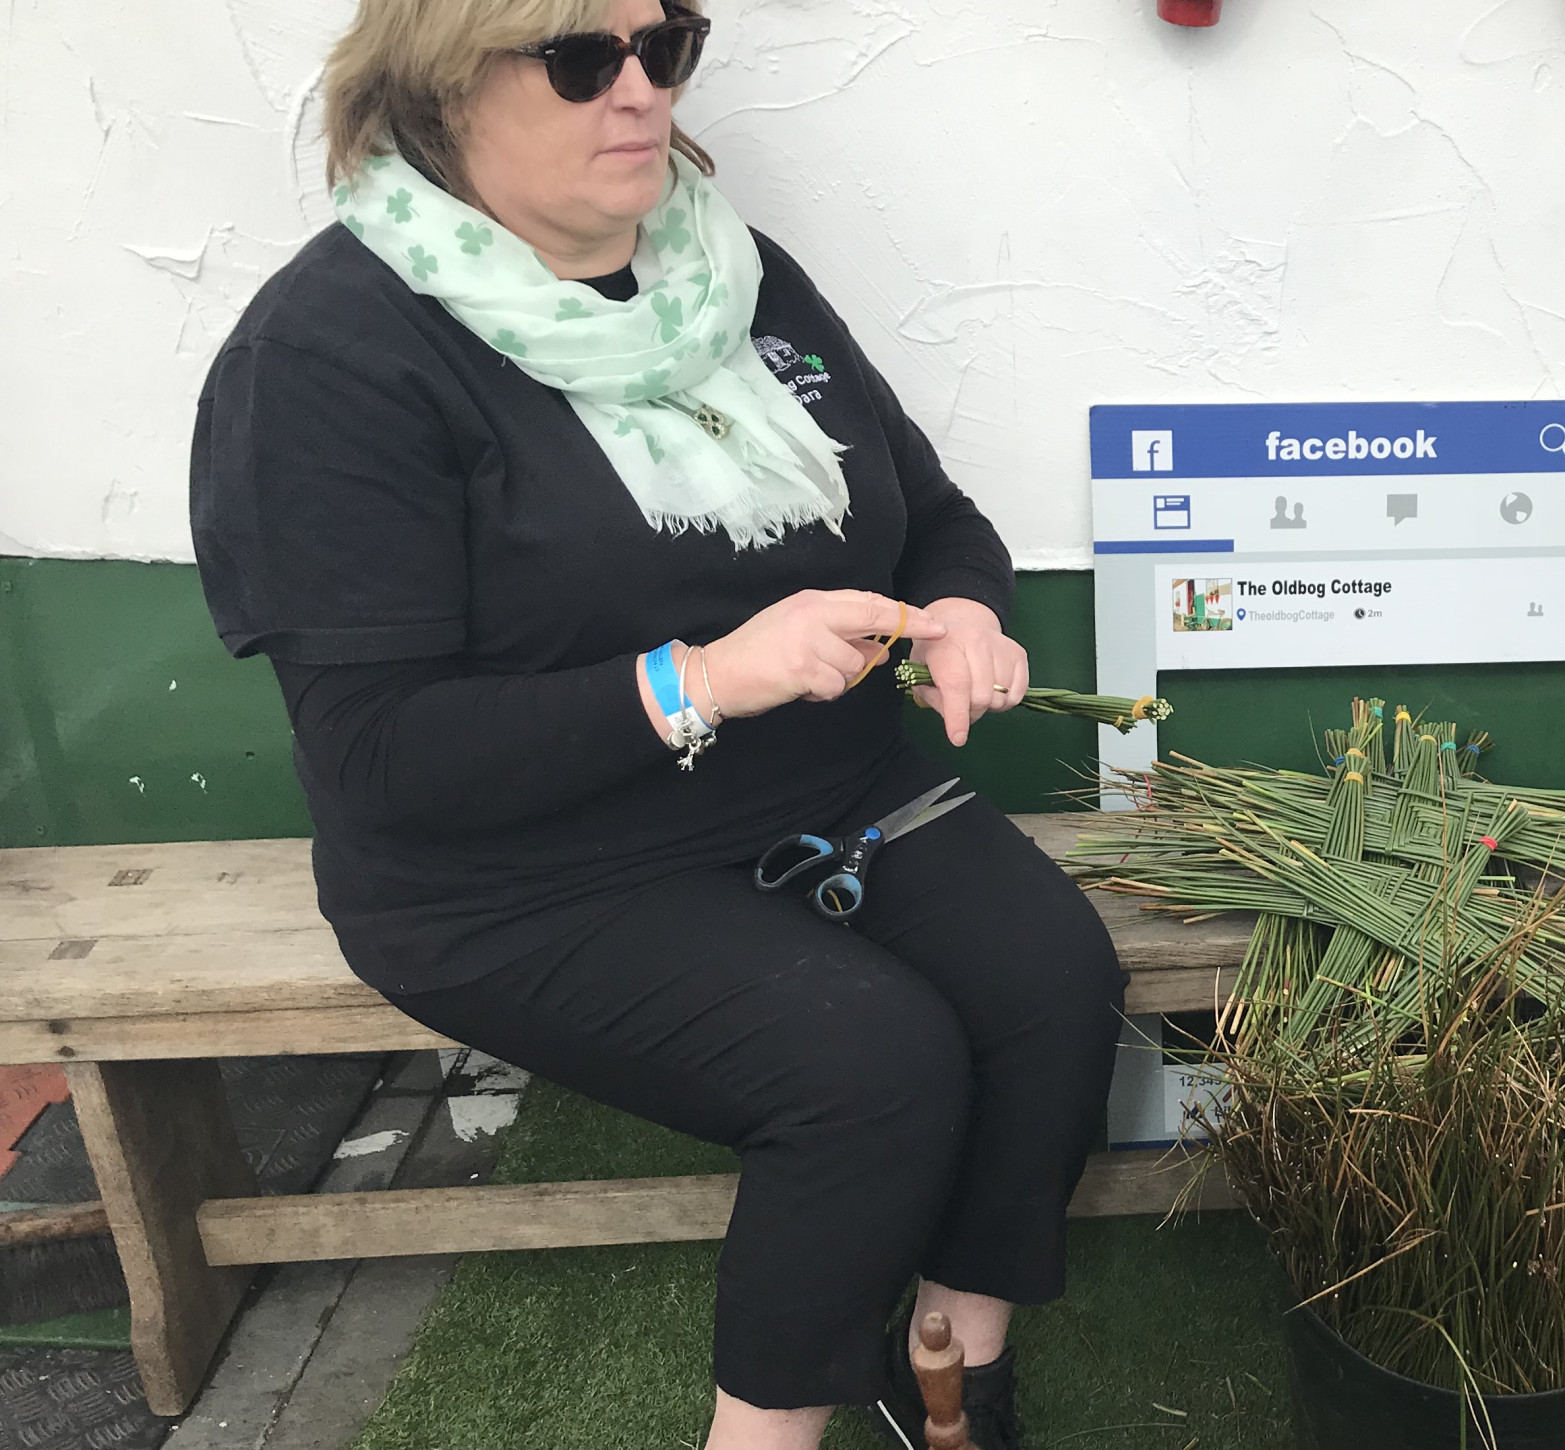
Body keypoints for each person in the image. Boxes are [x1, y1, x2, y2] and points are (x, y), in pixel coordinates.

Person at [187, 3, 1125, 1447]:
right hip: (518, 867)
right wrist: (701, 679)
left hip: (821, 783)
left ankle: (950, 1379)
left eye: (665, 44)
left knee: (1051, 978)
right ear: (438, 87)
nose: (638, 92)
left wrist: (966, 611)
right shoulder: (331, 353)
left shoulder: (730, 273)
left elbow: (928, 516)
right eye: (580, 58)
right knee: (868, 1062)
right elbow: (382, 758)